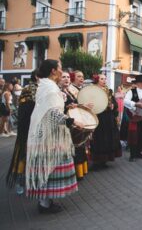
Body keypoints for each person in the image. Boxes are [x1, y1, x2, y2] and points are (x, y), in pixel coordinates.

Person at [25, 59, 83, 214]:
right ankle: (44, 204)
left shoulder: (46, 85)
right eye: (60, 68)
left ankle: (46, 202)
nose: (61, 70)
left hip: (46, 135)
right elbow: (53, 113)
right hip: (49, 137)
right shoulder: (50, 88)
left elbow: (51, 108)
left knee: (48, 168)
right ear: (53, 71)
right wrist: (72, 120)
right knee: (49, 168)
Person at [6, 70, 39, 195]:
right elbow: (25, 111)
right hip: (28, 128)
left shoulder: (41, 87)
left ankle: (33, 182)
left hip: (37, 128)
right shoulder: (29, 89)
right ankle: (21, 181)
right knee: (24, 155)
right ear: (37, 76)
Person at [59, 71, 89, 181]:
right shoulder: (59, 92)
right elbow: (58, 109)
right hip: (64, 125)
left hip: (72, 123)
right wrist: (70, 106)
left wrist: (76, 105)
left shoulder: (67, 91)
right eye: (63, 77)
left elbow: (73, 104)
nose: (66, 79)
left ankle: (78, 172)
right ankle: (68, 174)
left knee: (78, 147)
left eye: (67, 77)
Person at [90, 74, 122, 169]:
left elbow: (114, 103)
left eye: (105, 79)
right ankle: (97, 161)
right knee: (99, 138)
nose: (104, 80)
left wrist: (113, 106)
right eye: (102, 79)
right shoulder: (93, 90)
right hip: (99, 117)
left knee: (108, 138)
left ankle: (104, 160)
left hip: (108, 117)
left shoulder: (109, 91)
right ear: (97, 80)